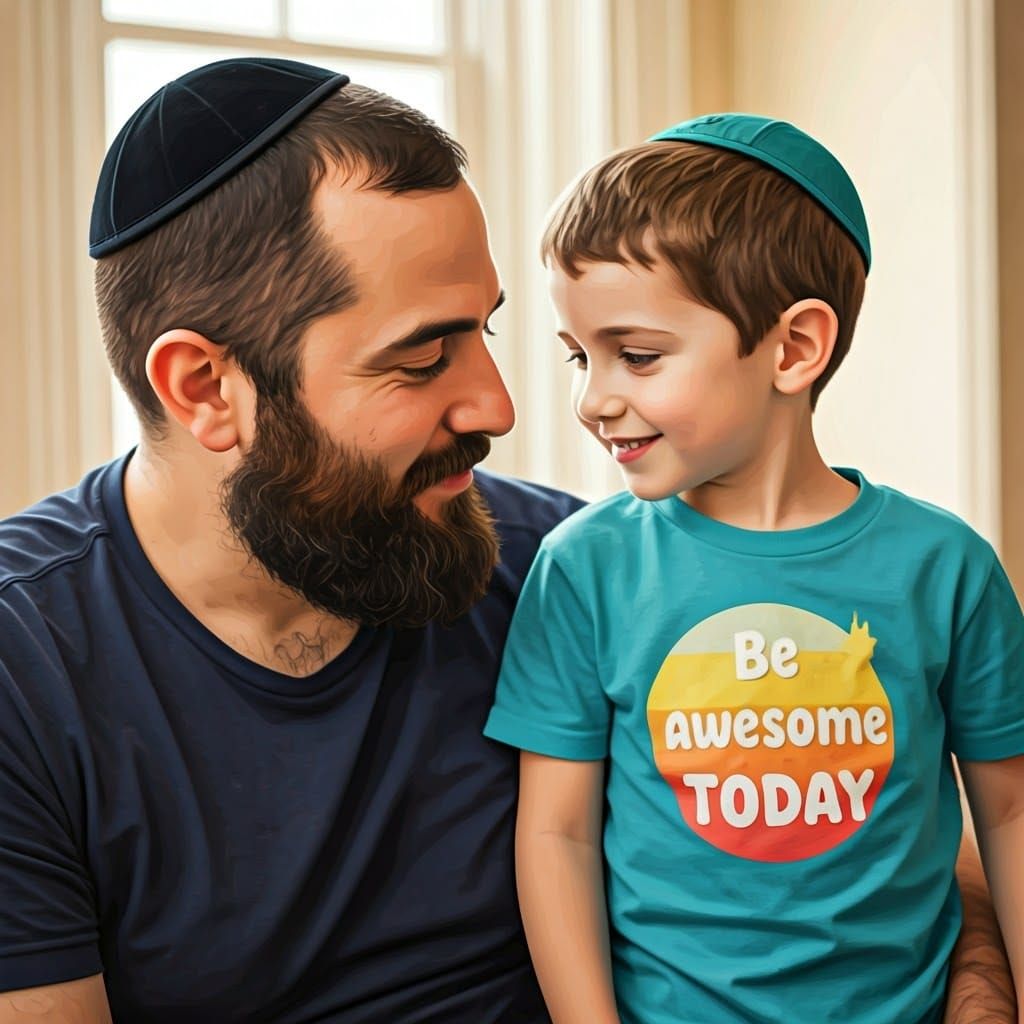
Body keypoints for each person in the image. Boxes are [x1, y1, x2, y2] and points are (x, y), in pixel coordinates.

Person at [0, 60, 1010, 1023]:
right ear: (204, 388)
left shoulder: (556, 561)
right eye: (422, 356)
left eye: (487, 330)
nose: (503, 403)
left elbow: (876, 793)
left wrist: (973, 988)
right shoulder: (27, 667)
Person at [484, 114, 1024, 1024]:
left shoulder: (947, 569)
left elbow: (1007, 814)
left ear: (794, 348)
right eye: (580, 356)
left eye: (638, 356)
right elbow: (556, 831)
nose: (593, 399)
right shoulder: (583, 569)